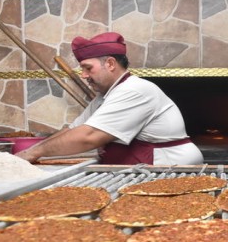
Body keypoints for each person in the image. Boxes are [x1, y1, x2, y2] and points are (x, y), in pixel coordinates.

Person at [16, 32, 204, 165]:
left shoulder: (134, 90)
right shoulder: (104, 96)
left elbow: (88, 137)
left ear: (110, 63)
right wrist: (30, 152)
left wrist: (34, 152)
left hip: (172, 171)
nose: (83, 75)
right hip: (145, 169)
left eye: (88, 68)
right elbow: (73, 130)